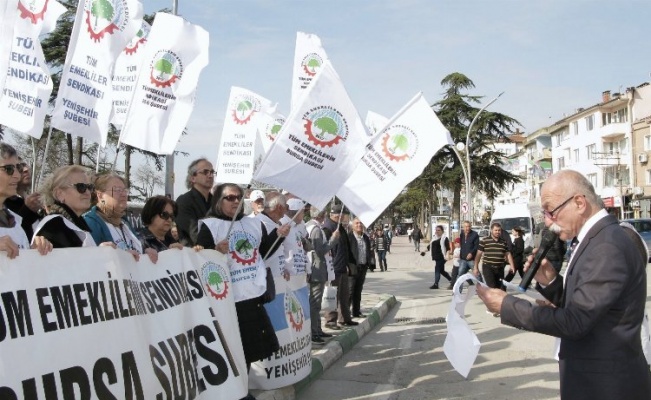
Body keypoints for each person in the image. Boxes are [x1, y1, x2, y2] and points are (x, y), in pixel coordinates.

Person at [477, 170, 651, 399]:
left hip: (607, 386)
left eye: (551, 211)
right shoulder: (596, 239)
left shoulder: (607, 246)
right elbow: (591, 306)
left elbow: (576, 321)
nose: (548, 222)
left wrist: (507, 306)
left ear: (579, 202)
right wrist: (550, 281)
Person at [196, 183, 286, 400]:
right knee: (232, 349)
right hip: (227, 299)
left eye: (238, 197)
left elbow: (262, 251)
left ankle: (242, 389)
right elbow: (199, 258)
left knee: (248, 350)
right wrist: (216, 251)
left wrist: (279, 236)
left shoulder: (253, 224)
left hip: (251, 296)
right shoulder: (210, 226)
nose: (236, 201)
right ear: (218, 200)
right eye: (229, 198)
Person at [84, 173, 156, 262]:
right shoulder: (91, 223)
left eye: (125, 190)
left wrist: (145, 252)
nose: (124, 195)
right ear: (100, 195)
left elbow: (133, 250)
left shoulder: (124, 223)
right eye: (117, 190)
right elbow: (88, 261)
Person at [0, 143, 51, 257]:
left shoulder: (15, 221)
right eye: (8, 169)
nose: (17, 176)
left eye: (17, 168)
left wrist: (32, 251)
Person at [33, 165, 97, 247]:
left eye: (90, 187)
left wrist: (102, 251)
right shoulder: (53, 228)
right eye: (81, 187)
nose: (88, 193)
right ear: (59, 194)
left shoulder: (76, 223)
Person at [306, 207, 339, 343]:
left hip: (317, 269)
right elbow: (320, 251)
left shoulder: (312, 227)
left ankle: (317, 329)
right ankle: (314, 332)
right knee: (315, 303)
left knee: (317, 303)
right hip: (317, 270)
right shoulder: (315, 229)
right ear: (322, 215)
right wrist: (333, 240)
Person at [322, 204, 358, 329]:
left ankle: (345, 318)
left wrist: (349, 264)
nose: (345, 217)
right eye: (343, 215)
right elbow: (325, 247)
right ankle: (331, 320)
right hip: (333, 266)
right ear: (337, 215)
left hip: (342, 266)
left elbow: (345, 248)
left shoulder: (340, 228)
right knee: (332, 295)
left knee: (344, 295)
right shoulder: (328, 228)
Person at [175, 158, 214, 246]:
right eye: (205, 172)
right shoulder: (184, 201)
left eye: (212, 172)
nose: (210, 175)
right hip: (192, 254)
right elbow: (195, 234)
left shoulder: (217, 202)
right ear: (193, 178)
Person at [473, 222, 515, 296]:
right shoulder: (484, 240)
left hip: (500, 268)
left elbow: (508, 254)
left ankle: (501, 305)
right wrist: (475, 267)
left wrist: (512, 266)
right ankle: (493, 306)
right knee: (492, 288)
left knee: (502, 289)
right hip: (488, 268)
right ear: (491, 230)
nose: (497, 232)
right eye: (496, 230)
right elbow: (478, 254)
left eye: (499, 230)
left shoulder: (503, 242)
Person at [5, 157, 41, 240]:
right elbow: (11, 234)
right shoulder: (4, 202)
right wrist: (27, 210)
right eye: (19, 167)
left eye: (25, 165)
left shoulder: (33, 200)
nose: (26, 170)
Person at [348, 217, 371, 318]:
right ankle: (346, 313)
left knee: (358, 290)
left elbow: (368, 251)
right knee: (350, 291)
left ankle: (356, 311)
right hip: (352, 267)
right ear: (352, 225)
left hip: (363, 267)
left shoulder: (365, 237)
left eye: (361, 223)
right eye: (356, 223)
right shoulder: (349, 237)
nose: (359, 225)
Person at [422, 225, 452, 289]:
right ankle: (451, 280)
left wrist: (447, 255)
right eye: (436, 230)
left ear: (442, 231)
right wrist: (424, 251)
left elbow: (448, 248)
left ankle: (436, 284)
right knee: (441, 271)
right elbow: (429, 246)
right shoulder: (434, 238)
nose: (437, 231)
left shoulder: (444, 238)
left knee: (437, 269)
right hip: (436, 257)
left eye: (439, 230)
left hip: (442, 257)